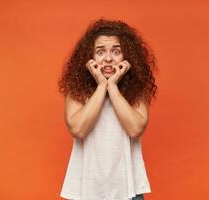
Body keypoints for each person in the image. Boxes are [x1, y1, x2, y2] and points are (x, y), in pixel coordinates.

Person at [58, 18, 158, 200]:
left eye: (116, 51)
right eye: (100, 51)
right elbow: (78, 129)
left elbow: (135, 129)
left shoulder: (136, 90)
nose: (108, 59)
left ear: (127, 57)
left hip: (130, 190)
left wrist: (112, 87)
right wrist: (101, 86)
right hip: (84, 190)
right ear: (89, 56)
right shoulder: (76, 90)